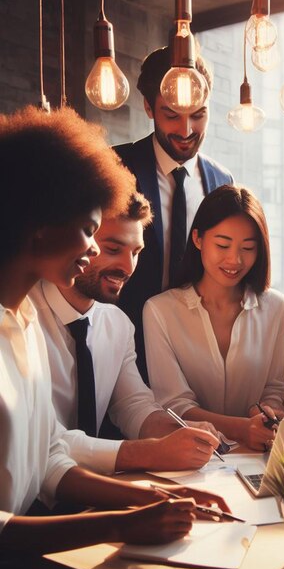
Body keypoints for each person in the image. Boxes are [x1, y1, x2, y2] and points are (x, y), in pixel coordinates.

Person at [0, 106, 228, 565]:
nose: (91, 248)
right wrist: (122, 522)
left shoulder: (22, 325)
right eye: (90, 231)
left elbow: (49, 460)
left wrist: (147, 499)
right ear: (38, 225)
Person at [30, 192, 220, 475]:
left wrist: (177, 431)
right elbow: (42, 441)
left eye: (136, 252)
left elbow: (133, 405)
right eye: (113, 249)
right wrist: (149, 453)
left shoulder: (118, 324)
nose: (128, 267)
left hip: (89, 492)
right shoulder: (22, 316)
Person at [114, 46, 233, 380]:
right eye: (171, 115)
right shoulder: (114, 167)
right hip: (125, 344)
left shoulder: (222, 181)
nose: (186, 130)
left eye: (198, 114)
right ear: (149, 108)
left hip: (195, 353)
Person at [143, 185, 284, 452]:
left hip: (259, 453)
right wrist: (242, 428)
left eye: (248, 247)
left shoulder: (275, 307)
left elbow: (275, 388)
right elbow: (174, 404)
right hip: (193, 455)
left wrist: (269, 411)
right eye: (222, 244)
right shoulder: (160, 311)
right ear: (198, 239)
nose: (235, 259)